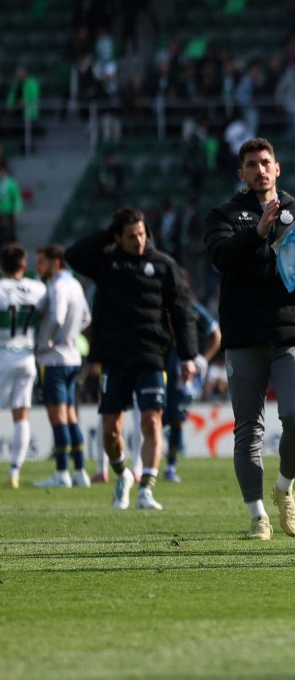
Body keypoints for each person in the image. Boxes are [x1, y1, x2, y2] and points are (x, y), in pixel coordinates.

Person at [205, 137, 295, 539]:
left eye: (266, 162)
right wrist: (258, 230)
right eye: (251, 164)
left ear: (277, 168)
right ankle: (257, 516)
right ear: (241, 173)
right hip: (243, 335)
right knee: (248, 429)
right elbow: (220, 257)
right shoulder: (224, 214)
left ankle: (285, 488)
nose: (259, 169)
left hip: (289, 332)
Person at [66, 208, 198, 510]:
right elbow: (73, 255)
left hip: (151, 355)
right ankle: (122, 474)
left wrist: (189, 356)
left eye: (142, 234)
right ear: (117, 238)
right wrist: (108, 237)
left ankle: (147, 488)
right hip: (113, 357)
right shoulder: (106, 262)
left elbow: (182, 312)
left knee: (152, 421)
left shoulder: (163, 265)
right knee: (111, 430)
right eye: (130, 236)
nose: (139, 241)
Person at [32, 244, 92, 489]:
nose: (39, 268)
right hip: (73, 359)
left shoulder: (57, 286)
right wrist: (69, 336)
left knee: (58, 419)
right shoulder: (76, 284)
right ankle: (79, 471)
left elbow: (56, 317)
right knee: (70, 417)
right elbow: (87, 317)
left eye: (41, 262)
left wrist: (44, 343)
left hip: (54, 361)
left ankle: (61, 473)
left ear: (56, 262)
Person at [162, 281, 221, 483]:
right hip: (158, 365)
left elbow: (216, 335)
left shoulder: (194, 309)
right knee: (156, 415)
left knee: (176, 418)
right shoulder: (160, 308)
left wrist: (202, 359)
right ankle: (148, 463)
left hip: (183, 369)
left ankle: (171, 465)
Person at [0, 244, 46, 488]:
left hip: (3, 354)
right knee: (22, 415)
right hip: (28, 356)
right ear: (23, 265)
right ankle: (14, 471)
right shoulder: (37, 289)